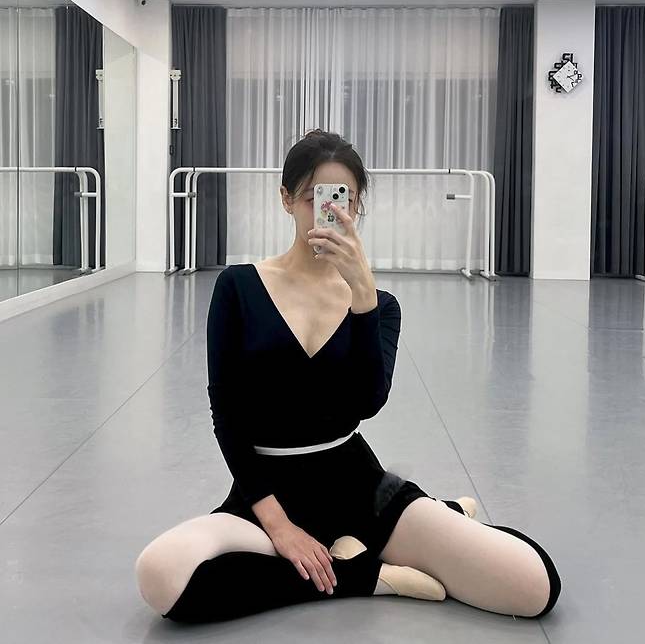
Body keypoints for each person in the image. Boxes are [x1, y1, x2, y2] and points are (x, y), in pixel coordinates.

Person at [134, 129, 561, 624]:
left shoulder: (380, 305)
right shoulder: (238, 288)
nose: (331, 212)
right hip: (264, 492)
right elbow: (226, 417)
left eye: (346, 201)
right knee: (160, 575)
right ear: (287, 199)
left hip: (357, 485)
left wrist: (362, 294)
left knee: (533, 585)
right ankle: (362, 574)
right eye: (314, 198)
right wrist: (280, 528)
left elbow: (367, 401)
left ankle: (420, 518)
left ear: (357, 207)